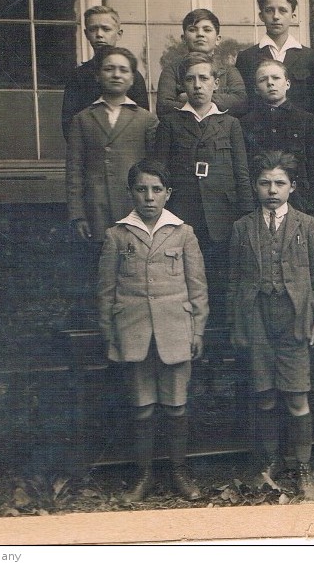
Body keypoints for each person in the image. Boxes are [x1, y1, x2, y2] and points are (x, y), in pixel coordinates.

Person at [97, 159, 208, 502]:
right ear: (130, 192)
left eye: (156, 190)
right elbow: (106, 290)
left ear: (168, 194)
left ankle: (179, 473)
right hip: (133, 330)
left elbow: (198, 286)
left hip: (176, 329)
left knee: (176, 407)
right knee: (142, 407)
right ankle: (142, 476)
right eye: (141, 189)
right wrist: (110, 333)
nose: (149, 197)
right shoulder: (117, 234)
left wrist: (197, 330)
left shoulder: (183, 232)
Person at [228, 151, 314, 501]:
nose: (272, 190)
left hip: (295, 317)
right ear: (256, 187)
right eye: (265, 183)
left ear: (292, 187)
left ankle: (302, 465)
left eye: (279, 183)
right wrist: (238, 325)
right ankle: (269, 462)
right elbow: (234, 281)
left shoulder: (307, 224)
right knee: (266, 396)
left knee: (297, 395)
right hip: (256, 316)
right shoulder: (242, 227)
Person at [153, 51, 254, 327]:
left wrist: (246, 216)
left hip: (222, 218)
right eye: (190, 79)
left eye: (203, 78)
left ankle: (218, 348)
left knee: (220, 282)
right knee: (184, 281)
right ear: (183, 86)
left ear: (215, 83)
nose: (197, 85)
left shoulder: (230, 124)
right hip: (183, 217)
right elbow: (159, 175)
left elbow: (241, 173)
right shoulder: (171, 123)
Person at [65, 47, 158, 315]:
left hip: (134, 211)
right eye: (109, 69)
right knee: (103, 275)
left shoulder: (146, 119)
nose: (116, 74)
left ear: (131, 79)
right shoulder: (83, 119)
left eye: (123, 70)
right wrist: (78, 215)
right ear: (98, 76)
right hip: (96, 210)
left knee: (136, 272)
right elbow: (74, 171)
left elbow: (154, 170)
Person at [240, 59, 314, 218]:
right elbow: (244, 170)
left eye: (276, 78)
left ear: (287, 84)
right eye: (263, 80)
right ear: (256, 89)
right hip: (259, 204)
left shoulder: (306, 120)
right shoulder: (246, 123)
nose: (270, 83)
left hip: (300, 203)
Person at [61, 5, 149, 140]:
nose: (99, 35)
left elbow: (143, 124)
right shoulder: (78, 77)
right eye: (93, 29)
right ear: (86, 34)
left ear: (119, 34)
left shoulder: (132, 76)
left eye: (106, 29)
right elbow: (69, 125)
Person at [235, 0, 314, 112]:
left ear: (293, 16)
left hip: (298, 127)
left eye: (283, 10)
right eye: (269, 10)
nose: (276, 16)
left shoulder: (308, 56)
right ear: (261, 16)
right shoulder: (247, 57)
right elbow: (244, 100)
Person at [155, 8, 248, 118]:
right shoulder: (172, 70)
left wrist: (192, 98)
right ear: (184, 39)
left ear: (218, 39)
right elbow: (164, 107)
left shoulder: (229, 70)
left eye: (207, 30)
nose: (200, 34)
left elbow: (241, 103)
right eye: (193, 29)